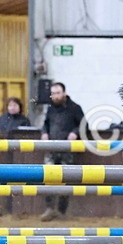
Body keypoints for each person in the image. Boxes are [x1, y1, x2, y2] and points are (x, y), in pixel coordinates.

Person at [40, 82, 85, 221]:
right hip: (51, 148)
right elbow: (45, 124)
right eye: (53, 93)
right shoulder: (50, 109)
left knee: (66, 179)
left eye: (57, 93)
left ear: (64, 93)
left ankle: (61, 211)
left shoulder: (75, 108)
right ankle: (49, 209)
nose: (55, 96)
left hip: (67, 149)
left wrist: (74, 133)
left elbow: (84, 125)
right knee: (48, 177)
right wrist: (44, 133)